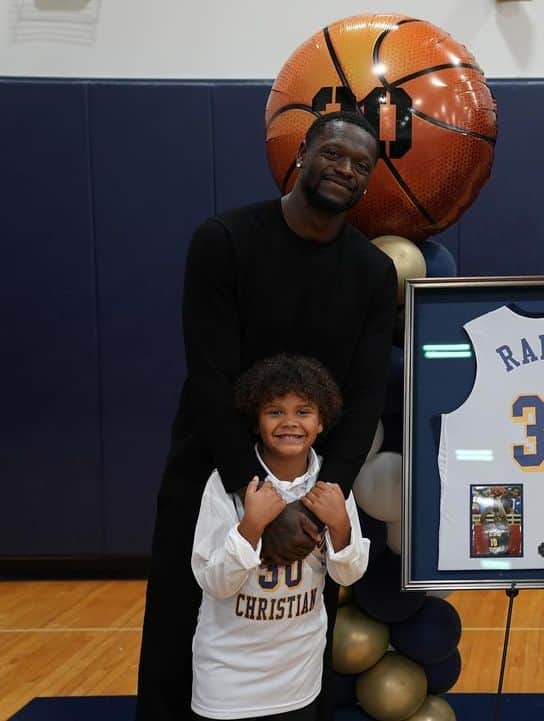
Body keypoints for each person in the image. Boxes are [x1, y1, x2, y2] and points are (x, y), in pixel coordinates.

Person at [137, 110, 398, 721]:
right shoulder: (224, 241)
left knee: (294, 640)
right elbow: (208, 376)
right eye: (334, 154)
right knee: (182, 631)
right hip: (215, 469)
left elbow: (361, 400)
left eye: (362, 165)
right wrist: (256, 501)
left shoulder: (371, 271)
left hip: (308, 488)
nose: (346, 171)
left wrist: (317, 495)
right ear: (301, 153)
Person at [191, 354, 370, 721]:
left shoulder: (331, 489)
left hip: (298, 676)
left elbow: (348, 576)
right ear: (256, 422)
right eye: (275, 412)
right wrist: (251, 527)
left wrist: (340, 525)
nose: (289, 422)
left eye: (303, 412)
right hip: (228, 678)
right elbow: (214, 582)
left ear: (322, 422)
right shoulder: (225, 486)